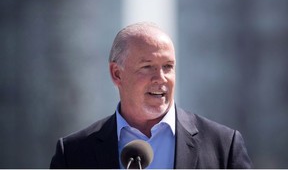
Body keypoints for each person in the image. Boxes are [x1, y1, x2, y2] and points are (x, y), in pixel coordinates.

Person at [50, 22, 252, 169]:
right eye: (148, 67)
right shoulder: (73, 153)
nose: (161, 78)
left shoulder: (224, 146)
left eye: (168, 67)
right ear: (117, 74)